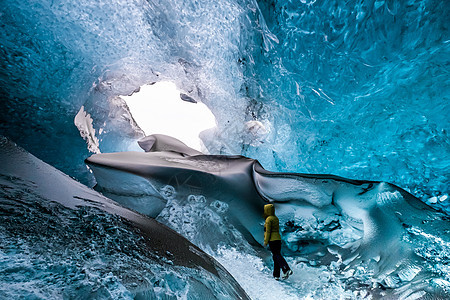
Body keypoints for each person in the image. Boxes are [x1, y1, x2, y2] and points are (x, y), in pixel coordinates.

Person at [264, 203, 293, 280]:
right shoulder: (275, 218)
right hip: (278, 239)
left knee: (276, 255)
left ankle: (286, 269)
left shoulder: (269, 219)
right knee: (276, 256)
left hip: (272, 239)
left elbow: (268, 231)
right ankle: (276, 275)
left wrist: (266, 241)